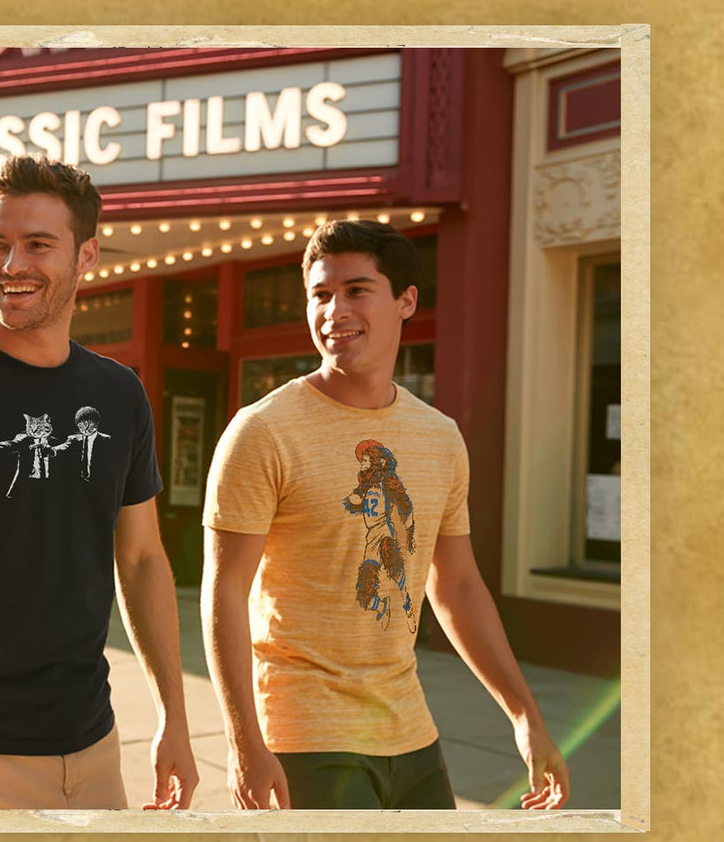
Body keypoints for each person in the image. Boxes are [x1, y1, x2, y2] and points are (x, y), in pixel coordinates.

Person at [200, 219, 571, 811]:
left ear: (406, 300)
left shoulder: (440, 436)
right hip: (304, 735)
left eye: (356, 290)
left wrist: (525, 715)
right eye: (320, 294)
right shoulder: (262, 432)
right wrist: (244, 740)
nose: (334, 309)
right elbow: (224, 592)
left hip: (411, 731)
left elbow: (456, 585)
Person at [0, 155, 198, 810]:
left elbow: (140, 559)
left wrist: (176, 717)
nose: (11, 263)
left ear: (87, 257)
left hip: (93, 748)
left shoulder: (120, 394)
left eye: (37, 245)